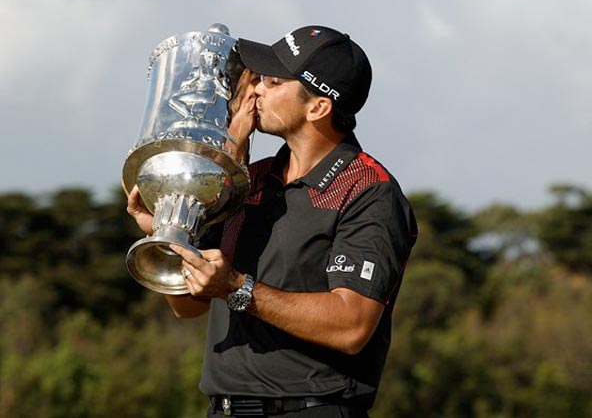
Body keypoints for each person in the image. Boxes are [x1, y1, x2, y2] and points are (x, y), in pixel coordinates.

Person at [127, 25, 417, 418]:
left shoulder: (368, 190)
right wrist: (169, 234)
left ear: (318, 107)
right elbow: (189, 306)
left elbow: (352, 326)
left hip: (312, 409)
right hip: (223, 408)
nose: (255, 90)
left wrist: (235, 287)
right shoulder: (248, 179)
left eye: (274, 81)